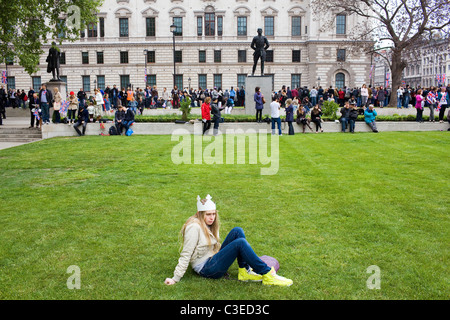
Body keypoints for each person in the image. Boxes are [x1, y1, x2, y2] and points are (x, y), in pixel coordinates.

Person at [164, 195, 293, 286]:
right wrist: (175, 278)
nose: (212, 218)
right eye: (208, 214)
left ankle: (244, 272)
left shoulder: (209, 224)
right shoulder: (194, 227)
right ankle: (268, 275)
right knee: (240, 243)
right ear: (200, 213)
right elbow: (186, 253)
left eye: (213, 214)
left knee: (237, 231)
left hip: (212, 258)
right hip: (206, 268)